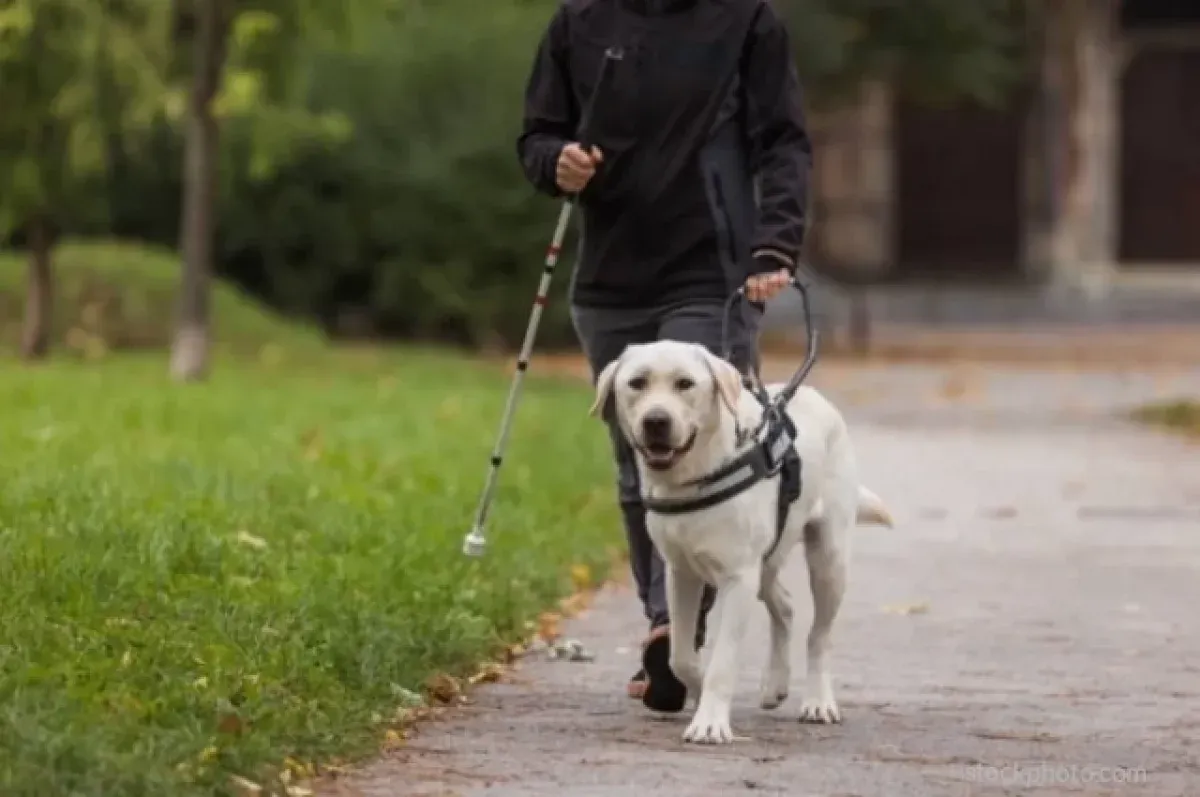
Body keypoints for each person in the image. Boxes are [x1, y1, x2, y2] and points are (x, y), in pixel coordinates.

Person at [516, 0, 812, 713]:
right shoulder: (580, 22)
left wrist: (776, 241)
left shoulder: (746, 21)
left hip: (712, 267)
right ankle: (667, 627)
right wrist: (557, 162)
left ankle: (680, 631)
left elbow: (783, 140)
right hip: (610, 276)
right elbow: (537, 136)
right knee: (636, 459)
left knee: (705, 442)